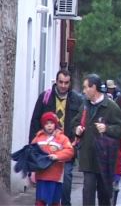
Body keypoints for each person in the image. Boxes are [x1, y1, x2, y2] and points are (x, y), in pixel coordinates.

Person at [29, 69, 82, 206]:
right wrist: (33, 149)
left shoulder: (77, 99)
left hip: (67, 146)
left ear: (70, 83)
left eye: (66, 83)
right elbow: (35, 121)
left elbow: (81, 122)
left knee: (66, 181)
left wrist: (77, 142)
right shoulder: (45, 97)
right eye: (61, 82)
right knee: (44, 184)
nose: (63, 85)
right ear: (56, 81)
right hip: (46, 149)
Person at [73, 74, 121, 206]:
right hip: (88, 157)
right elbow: (74, 123)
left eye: (86, 87)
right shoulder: (84, 106)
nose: (84, 91)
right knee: (87, 193)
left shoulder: (111, 107)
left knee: (104, 195)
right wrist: (77, 129)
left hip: (105, 158)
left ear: (94, 88)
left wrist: (107, 128)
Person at [31, 112, 74, 206]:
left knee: (54, 201)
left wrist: (57, 156)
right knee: (40, 201)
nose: (49, 126)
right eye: (46, 124)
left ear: (55, 124)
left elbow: (70, 151)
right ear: (43, 125)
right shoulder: (38, 138)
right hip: (41, 175)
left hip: (56, 176)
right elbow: (32, 151)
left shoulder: (62, 138)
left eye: (51, 123)